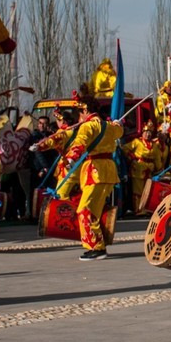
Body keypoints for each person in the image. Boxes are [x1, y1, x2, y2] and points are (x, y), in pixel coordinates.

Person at [58, 88, 122, 259]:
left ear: (85, 110)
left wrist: (71, 157)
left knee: (85, 209)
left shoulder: (88, 126)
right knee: (94, 209)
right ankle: (97, 243)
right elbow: (119, 132)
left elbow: (80, 143)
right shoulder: (108, 126)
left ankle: (97, 247)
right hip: (107, 170)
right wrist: (117, 125)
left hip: (95, 171)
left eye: (80, 112)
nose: (79, 116)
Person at [124, 120, 165, 213]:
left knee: (146, 191)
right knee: (137, 191)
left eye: (149, 132)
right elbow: (125, 149)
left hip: (149, 171)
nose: (147, 134)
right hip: (138, 169)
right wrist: (132, 157)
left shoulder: (154, 145)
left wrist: (159, 169)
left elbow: (157, 158)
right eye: (146, 132)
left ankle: (146, 209)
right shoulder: (137, 142)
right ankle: (138, 209)